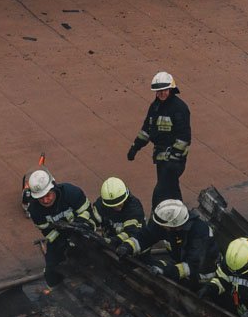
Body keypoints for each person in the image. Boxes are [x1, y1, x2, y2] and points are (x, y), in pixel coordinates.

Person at [126, 71, 191, 208]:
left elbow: (184, 137)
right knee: (171, 190)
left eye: (164, 90)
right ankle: (177, 214)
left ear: (171, 89)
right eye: (158, 91)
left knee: (160, 191)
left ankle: (156, 218)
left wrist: (174, 156)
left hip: (175, 161)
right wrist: (135, 148)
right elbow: (146, 130)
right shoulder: (154, 107)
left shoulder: (179, 108)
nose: (161, 93)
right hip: (161, 158)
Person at [116, 199, 218, 285]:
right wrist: (127, 246)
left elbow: (192, 266)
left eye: (162, 225)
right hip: (181, 265)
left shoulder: (199, 233)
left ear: (174, 225)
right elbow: (146, 236)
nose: (159, 227)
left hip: (201, 276)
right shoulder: (167, 225)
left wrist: (166, 270)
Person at [25, 169, 97, 287]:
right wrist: (63, 243)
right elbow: (47, 231)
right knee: (51, 272)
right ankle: (57, 289)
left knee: (95, 262)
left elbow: (88, 214)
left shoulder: (71, 193)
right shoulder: (34, 210)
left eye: (48, 195)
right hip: (60, 238)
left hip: (84, 232)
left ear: (54, 187)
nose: (45, 200)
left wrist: (78, 229)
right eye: (41, 197)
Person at [93, 176, 145, 247]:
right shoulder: (100, 205)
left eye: (119, 204)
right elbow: (93, 219)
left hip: (134, 247)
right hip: (109, 245)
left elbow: (131, 233)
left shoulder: (134, 208)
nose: (117, 208)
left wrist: (112, 241)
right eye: (112, 206)